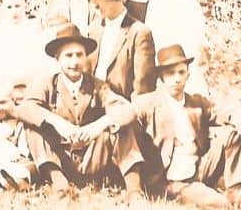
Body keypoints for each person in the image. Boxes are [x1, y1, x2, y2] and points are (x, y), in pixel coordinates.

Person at [15, 23, 145, 202]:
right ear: (58, 58)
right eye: (68, 56)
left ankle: (134, 191)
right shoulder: (48, 84)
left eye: (79, 55)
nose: (74, 62)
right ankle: (60, 186)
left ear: (86, 58)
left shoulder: (97, 85)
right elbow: (24, 108)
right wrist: (56, 122)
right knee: (33, 127)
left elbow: (128, 110)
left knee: (121, 126)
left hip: (92, 157)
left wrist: (99, 125)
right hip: (61, 160)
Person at [133, 44, 241, 207]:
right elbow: (126, 119)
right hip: (171, 180)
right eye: (170, 73)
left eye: (181, 72)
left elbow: (226, 114)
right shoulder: (148, 103)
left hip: (198, 168)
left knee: (230, 135)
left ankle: (236, 189)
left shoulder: (196, 103)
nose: (177, 79)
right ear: (161, 77)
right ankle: (215, 198)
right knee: (220, 204)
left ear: (188, 75)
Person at [85, 0, 157, 100]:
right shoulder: (94, 29)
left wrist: (125, 110)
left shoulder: (139, 33)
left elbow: (143, 89)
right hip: (91, 103)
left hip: (122, 107)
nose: (94, 3)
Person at [144, 0, 209, 96]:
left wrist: (198, 49)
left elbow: (199, 30)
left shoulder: (190, 1)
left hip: (187, 50)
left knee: (191, 87)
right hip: (165, 50)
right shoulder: (157, 1)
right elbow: (151, 29)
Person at [0, 81, 35, 191]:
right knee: (3, 167)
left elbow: (25, 147)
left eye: (3, 102)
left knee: (28, 169)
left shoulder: (20, 119)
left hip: (21, 160)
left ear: (13, 101)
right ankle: (7, 180)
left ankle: (14, 182)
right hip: (0, 160)